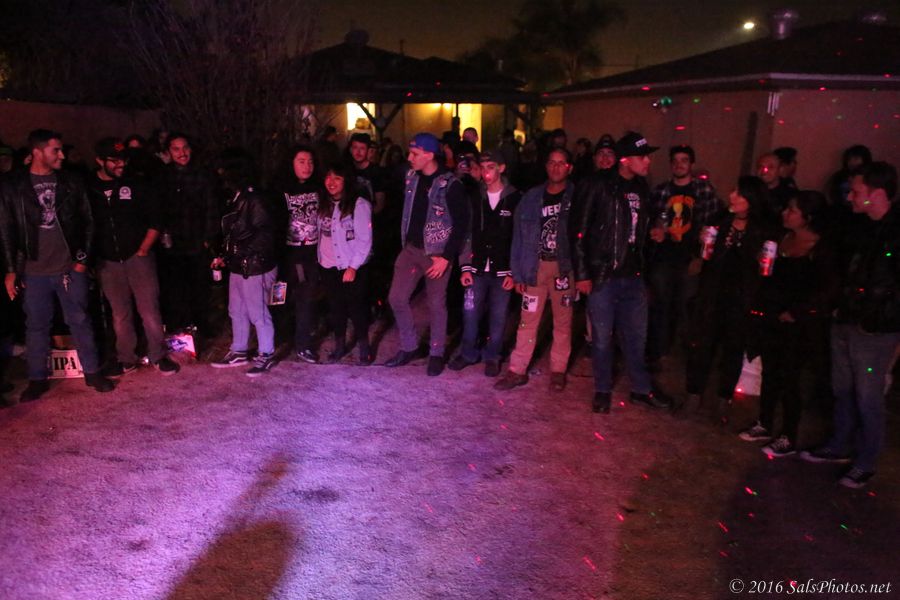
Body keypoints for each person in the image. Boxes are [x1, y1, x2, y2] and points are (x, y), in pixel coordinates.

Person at [800, 162, 900, 488]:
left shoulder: (895, 233)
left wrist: (883, 324)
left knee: (868, 397)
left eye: (856, 192)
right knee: (842, 389)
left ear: (877, 193)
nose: (849, 197)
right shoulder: (860, 227)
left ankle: (866, 461)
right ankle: (840, 445)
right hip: (846, 319)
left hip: (875, 331)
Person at [0, 129, 114, 401]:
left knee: (80, 321)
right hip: (33, 271)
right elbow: (6, 227)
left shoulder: (71, 181)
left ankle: (92, 372)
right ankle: (37, 379)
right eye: (56, 150)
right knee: (36, 325)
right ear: (38, 152)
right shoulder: (14, 184)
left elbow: (89, 221)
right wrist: (11, 270)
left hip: (68, 268)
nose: (62, 155)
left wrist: (82, 261)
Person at [571, 132, 671, 413]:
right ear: (625, 160)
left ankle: (641, 388)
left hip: (633, 276)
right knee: (602, 338)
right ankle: (602, 389)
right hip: (604, 276)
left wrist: (653, 233)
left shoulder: (641, 187)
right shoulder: (597, 184)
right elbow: (578, 231)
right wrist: (582, 274)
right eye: (643, 157)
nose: (648, 161)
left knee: (636, 337)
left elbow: (634, 228)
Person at [738, 191, 835, 456]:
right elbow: (770, 277)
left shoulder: (820, 249)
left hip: (798, 324)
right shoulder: (782, 239)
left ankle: (788, 435)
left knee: (790, 377)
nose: (785, 213)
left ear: (808, 216)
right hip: (772, 316)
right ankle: (765, 422)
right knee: (770, 371)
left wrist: (797, 311)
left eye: (792, 210)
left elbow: (825, 289)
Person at [683, 176, 776, 419]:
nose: (732, 196)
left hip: (741, 298)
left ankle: (724, 399)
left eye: (739, 193)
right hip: (713, 294)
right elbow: (703, 255)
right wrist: (702, 243)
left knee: (733, 349)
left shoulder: (763, 229)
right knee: (702, 346)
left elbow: (764, 270)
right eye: (733, 191)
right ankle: (693, 394)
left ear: (752, 200)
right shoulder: (720, 220)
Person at [87, 137, 179, 377]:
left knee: (149, 309)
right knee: (120, 313)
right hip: (107, 260)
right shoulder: (89, 188)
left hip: (138, 257)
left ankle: (158, 355)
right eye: (114, 160)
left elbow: (155, 219)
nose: (121, 164)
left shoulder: (136, 184)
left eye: (123, 159)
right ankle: (126, 358)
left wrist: (144, 249)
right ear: (99, 161)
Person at [384, 133, 468, 376]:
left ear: (429, 155)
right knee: (397, 298)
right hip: (411, 248)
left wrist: (446, 257)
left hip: (437, 253)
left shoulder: (450, 185)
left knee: (436, 304)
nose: (409, 158)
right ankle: (409, 346)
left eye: (415, 154)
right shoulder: (412, 177)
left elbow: (462, 224)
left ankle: (436, 352)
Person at [495, 148, 574, 392]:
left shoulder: (577, 196)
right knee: (527, 321)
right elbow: (518, 236)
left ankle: (558, 370)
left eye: (561, 163)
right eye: (552, 162)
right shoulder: (531, 197)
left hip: (564, 269)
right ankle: (517, 370)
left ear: (569, 167)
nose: (556, 167)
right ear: (546, 166)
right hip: (534, 267)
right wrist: (517, 272)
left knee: (563, 322)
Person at [646, 145, 719, 368]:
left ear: (691, 164)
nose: (679, 164)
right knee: (661, 304)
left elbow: (713, 225)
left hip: (691, 257)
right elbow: (654, 221)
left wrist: (701, 258)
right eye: (675, 160)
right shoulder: (661, 191)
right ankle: (660, 351)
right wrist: (657, 231)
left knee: (687, 306)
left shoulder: (703, 190)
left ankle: (687, 355)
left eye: (684, 160)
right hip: (665, 257)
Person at [450, 150, 520, 377]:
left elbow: (519, 238)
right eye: (482, 168)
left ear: (501, 168)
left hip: (503, 270)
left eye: (491, 167)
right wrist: (465, 266)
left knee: (499, 316)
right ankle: (468, 353)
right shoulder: (474, 197)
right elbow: (467, 233)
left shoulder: (515, 198)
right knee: (470, 312)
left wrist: (514, 272)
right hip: (477, 267)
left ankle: (493, 356)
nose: (486, 172)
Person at [210, 150, 278, 376]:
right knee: (236, 309)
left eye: (223, 171)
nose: (220, 175)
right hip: (240, 264)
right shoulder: (236, 198)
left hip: (255, 266)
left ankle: (266, 353)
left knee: (258, 311)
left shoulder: (253, 198)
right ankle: (239, 350)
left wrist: (240, 252)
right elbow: (233, 232)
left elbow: (265, 233)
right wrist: (226, 255)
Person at [157, 133, 220, 335]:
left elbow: (211, 207)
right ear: (168, 152)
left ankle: (202, 324)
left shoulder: (202, 174)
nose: (182, 153)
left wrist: (208, 238)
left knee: (199, 286)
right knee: (176, 287)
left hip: (196, 240)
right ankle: (181, 326)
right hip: (172, 243)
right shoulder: (163, 176)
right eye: (176, 149)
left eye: (185, 148)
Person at [318, 163, 374, 365]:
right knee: (336, 308)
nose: (331, 182)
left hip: (351, 266)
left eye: (337, 178)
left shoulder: (358, 205)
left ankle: (364, 347)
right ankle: (340, 345)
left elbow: (365, 239)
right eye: (328, 177)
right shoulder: (323, 203)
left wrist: (353, 267)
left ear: (346, 181)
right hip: (328, 266)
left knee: (357, 308)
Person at [280, 145, 322, 363]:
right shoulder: (280, 188)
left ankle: (303, 344)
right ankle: (278, 339)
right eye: (302, 161)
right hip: (287, 254)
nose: (307, 166)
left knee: (306, 299)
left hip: (310, 254)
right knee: (280, 299)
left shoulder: (319, 187)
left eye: (310, 162)